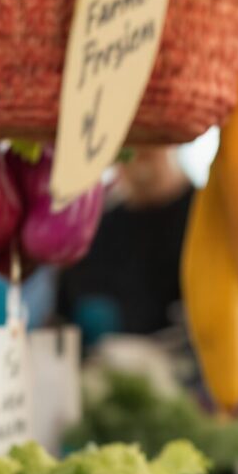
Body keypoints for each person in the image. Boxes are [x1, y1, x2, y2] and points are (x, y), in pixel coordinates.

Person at [55, 146, 191, 344]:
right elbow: (65, 315)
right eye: (128, 140)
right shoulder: (95, 232)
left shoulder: (203, 217)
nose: (139, 150)